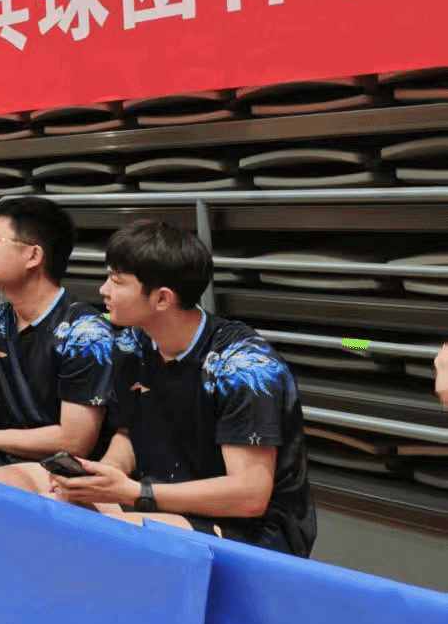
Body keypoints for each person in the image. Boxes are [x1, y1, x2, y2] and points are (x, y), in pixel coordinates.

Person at [24, 220, 316, 556]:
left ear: (162, 298)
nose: (103, 290)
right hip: (161, 498)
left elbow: (249, 496)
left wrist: (136, 493)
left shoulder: (244, 366)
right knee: (48, 505)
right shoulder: (131, 345)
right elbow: (130, 431)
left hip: (254, 528)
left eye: (117, 281)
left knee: (101, 538)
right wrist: (106, 475)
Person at [0, 197, 115, 474]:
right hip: (5, 453)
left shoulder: (85, 332)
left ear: (33, 256)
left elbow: (75, 441)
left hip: (62, 465)